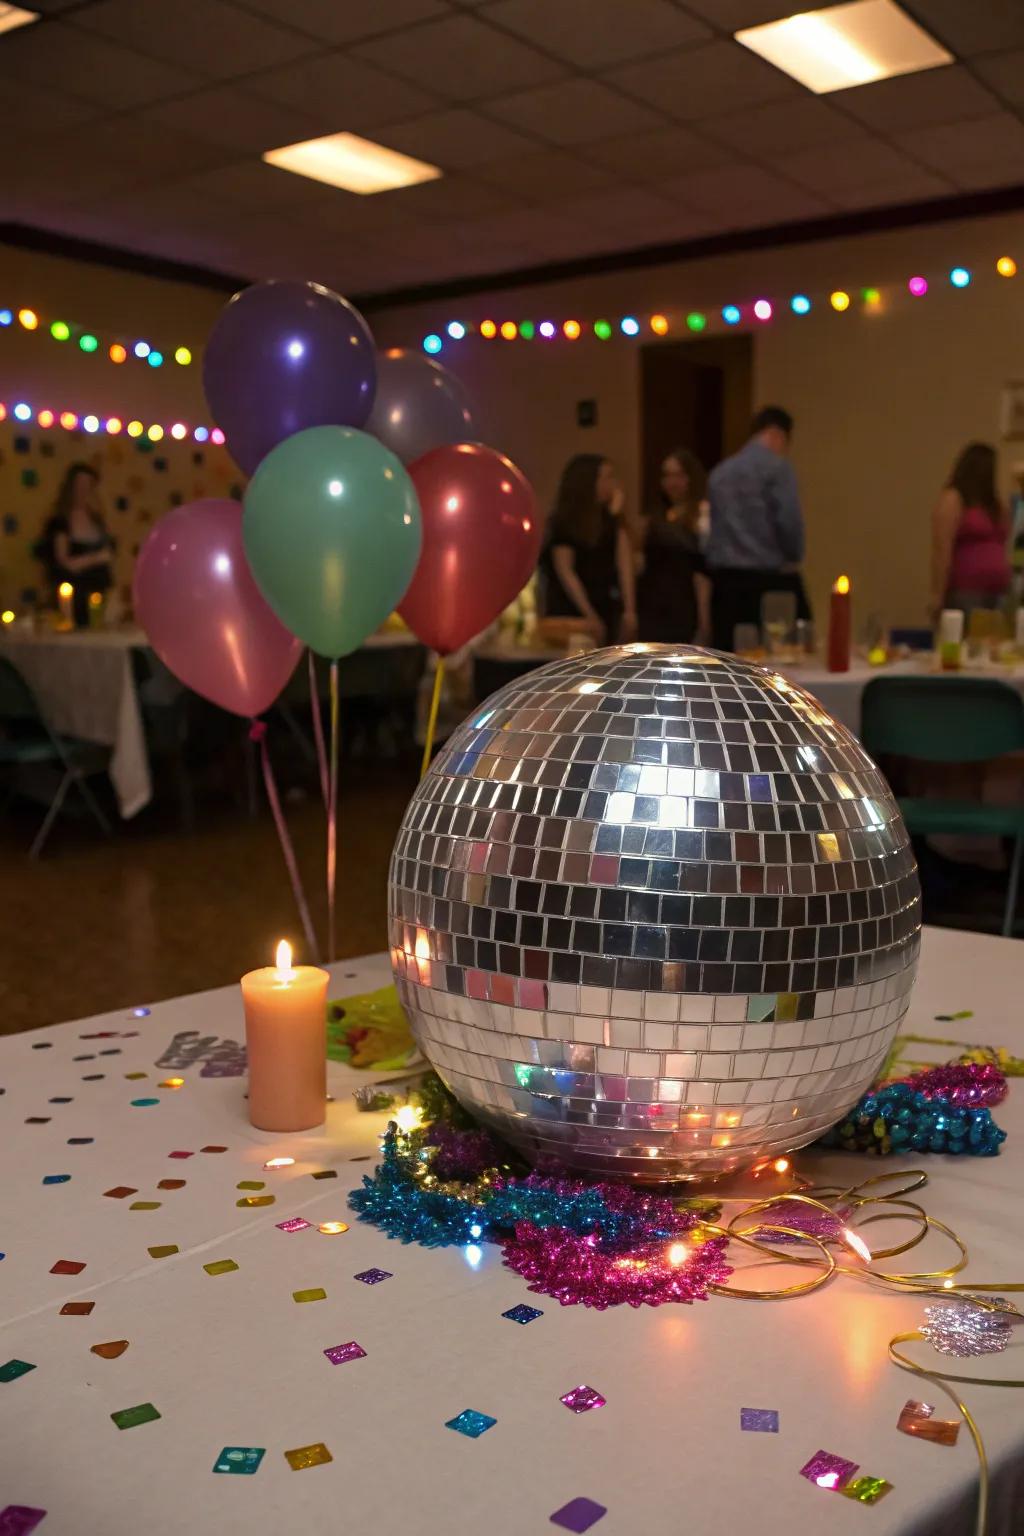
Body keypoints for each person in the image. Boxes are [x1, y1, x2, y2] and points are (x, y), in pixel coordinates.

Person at [706, 406, 809, 651]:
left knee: (730, 663)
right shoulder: (776, 468)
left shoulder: (719, 474)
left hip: (726, 586)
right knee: (783, 662)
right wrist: (794, 555)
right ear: (777, 434)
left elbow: (712, 531)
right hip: (768, 583)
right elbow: (788, 520)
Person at [543, 454, 637, 644]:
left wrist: (629, 610)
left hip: (605, 605)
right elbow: (566, 572)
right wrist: (590, 615)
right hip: (571, 611)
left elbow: (625, 563)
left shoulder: (609, 521)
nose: (612, 484)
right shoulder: (565, 522)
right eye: (606, 478)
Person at [638, 447, 711, 644]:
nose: (672, 482)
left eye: (679, 475)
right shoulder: (655, 517)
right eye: (667, 476)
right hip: (653, 607)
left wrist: (705, 621)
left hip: (685, 608)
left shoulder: (702, 516)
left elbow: (702, 572)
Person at [931, 442, 1011, 619]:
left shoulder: (993, 505)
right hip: (966, 590)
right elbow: (942, 548)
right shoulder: (954, 499)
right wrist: (938, 595)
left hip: (998, 593)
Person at [39, 463, 114, 627]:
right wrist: (96, 558)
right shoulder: (61, 522)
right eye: (80, 485)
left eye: (88, 485)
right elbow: (63, 561)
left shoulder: (96, 520)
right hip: (74, 596)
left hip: (98, 593)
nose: (84, 490)